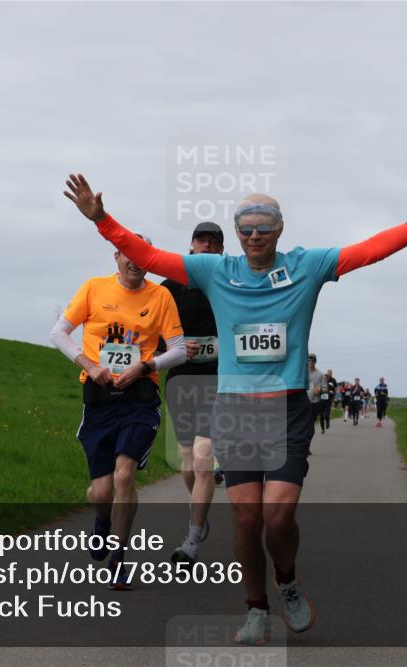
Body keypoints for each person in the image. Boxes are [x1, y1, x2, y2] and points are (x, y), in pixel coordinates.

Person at [63, 170, 407, 643]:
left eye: (264, 226)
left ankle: (288, 580)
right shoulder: (215, 270)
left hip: (286, 409)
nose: (255, 234)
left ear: (280, 229)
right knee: (246, 517)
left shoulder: (308, 266)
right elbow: (149, 256)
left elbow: (369, 250)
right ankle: (256, 608)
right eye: (246, 228)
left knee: (277, 516)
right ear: (236, 234)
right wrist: (102, 221)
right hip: (236, 411)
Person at [49, 234, 188, 590]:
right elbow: (59, 332)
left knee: (125, 475)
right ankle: (102, 519)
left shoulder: (161, 296)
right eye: (127, 254)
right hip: (99, 394)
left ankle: (120, 558)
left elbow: (179, 350)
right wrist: (88, 364)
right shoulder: (94, 289)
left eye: (141, 255)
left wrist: (145, 366)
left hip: (140, 395)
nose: (134, 261)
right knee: (100, 491)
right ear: (116, 256)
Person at [160, 221, 224, 564]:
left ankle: (192, 539)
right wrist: (180, 348)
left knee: (203, 459)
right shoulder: (169, 287)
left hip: (218, 380)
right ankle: (202, 513)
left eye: (215, 243)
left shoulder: (231, 286)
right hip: (181, 380)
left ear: (222, 252)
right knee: (188, 465)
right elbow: (153, 335)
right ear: (192, 247)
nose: (208, 246)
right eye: (203, 241)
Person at [307, 353, 323, 428]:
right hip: (305, 400)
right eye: (309, 360)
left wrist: (320, 389)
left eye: (312, 360)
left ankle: (309, 435)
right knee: (306, 422)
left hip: (315, 401)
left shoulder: (320, 374)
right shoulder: (303, 372)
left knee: (312, 421)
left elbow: (326, 388)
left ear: (315, 362)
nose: (310, 362)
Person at [319, 369, 335, 434]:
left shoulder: (330, 385)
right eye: (324, 378)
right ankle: (322, 429)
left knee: (327, 415)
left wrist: (331, 392)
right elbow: (317, 391)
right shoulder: (319, 385)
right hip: (321, 402)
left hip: (328, 402)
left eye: (326, 378)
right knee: (321, 416)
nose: (325, 379)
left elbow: (333, 391)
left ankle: (327, 422)